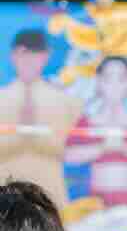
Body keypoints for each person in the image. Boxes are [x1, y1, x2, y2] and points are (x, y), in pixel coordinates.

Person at [61, 58, 127, 217]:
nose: (115, 85)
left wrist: (124, 147)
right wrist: (103, 147)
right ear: (98, 81)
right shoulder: (87, 121)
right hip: (96, 203)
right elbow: (69, 155)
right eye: (108, 78)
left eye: (122, 78)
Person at [0, 30, 81, 206]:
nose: (28, 60)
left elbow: (73, 152)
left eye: (35, 53)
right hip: (5, 198)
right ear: (12, 56)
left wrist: (34, 137)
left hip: (51, 196)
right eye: (23, 53)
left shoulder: (67, 102)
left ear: (46, 56)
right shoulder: (1, 98)